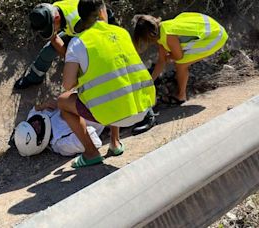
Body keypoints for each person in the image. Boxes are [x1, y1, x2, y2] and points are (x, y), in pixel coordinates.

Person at [57, 0, 156, 168]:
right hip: (143, 108)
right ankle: (115, 143)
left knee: (62, 101)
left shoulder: (78, 43)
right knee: (117, 84)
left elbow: (67, 85)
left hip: (111, 114)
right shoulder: (122, 32)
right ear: (103, 12)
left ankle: (91, 153)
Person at [14, 0, 116, 90]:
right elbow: (54, 39)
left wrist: (72, 61)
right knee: (48, 52)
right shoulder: (55, 8)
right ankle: (34, 78)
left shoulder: (79, 23)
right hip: (76, 32)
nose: (50, 31)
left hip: (95, 34)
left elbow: (89, 45)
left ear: (57, 18)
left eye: (50, 28)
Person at [133, 13, 228, 105]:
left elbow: (179, 57)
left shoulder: (168, 36)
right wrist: (150, 81)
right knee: (178, 60)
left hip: (215, 37)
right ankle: (180, 88)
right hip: (213, 28)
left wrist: (169, 57)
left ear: (149, 35)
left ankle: (181, 96)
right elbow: (161, 61)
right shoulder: (162, 29)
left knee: (181, 64)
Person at [14, 100, 104, 157]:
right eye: (36, 129)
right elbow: (95, 142)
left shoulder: (33, 120)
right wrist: (73, 117)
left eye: (32, 123)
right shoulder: (62, 144)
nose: (36, 123)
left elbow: (34, 110)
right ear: (39, 141)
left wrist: (44, 105)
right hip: (102, 108)